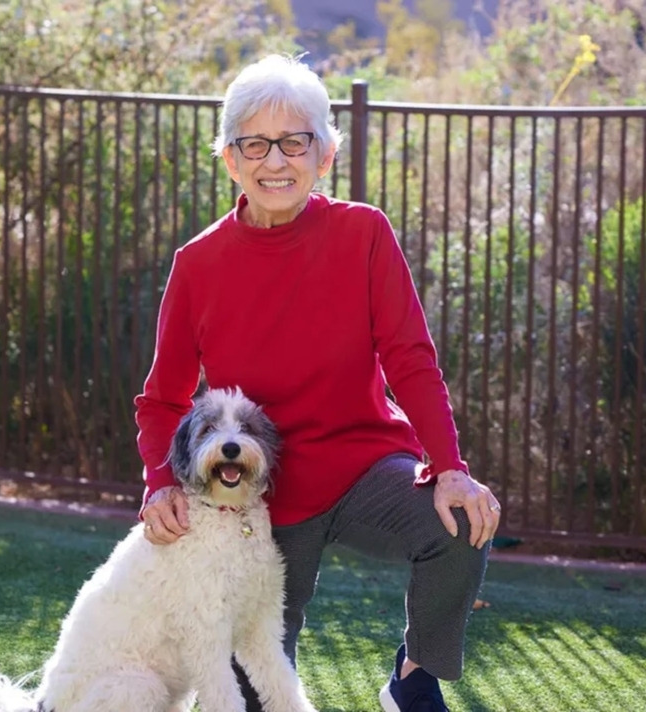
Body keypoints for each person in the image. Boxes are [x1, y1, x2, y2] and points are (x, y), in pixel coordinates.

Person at [134, 54, 500, 712]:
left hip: (365, 463)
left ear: (324, 153)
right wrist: (160, 481)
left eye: (294, 141)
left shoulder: (364, 232)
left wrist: (449, 467)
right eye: (255, 143)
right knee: (254, 689)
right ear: (231, 160)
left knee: (459, 525)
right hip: (259, 496)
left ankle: (412, 678)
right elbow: (162, 398)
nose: (275, 160)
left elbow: (410, 357)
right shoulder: (198, 264)